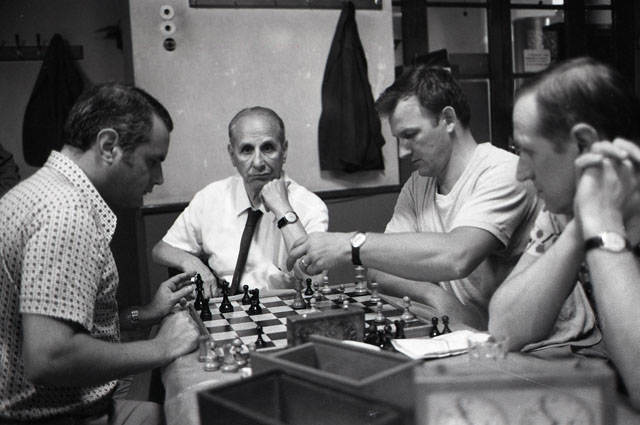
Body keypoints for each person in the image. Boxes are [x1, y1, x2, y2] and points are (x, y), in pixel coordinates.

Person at [0, 82, 200, 424]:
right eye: (152, 161)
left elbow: (67, 324)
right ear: (109, 146)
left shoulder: (43, 192)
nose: (159, 178)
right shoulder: (66, 212)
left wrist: (146, 314)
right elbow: (50, 357)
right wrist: (162, 347)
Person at [287, 66, 539, 329]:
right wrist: (436, 297)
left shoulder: (503, 171)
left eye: (410, 135)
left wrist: (348, 245)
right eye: (399, 139)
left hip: (534, 343)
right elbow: (379, 269)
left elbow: (458, 256)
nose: (404, 151)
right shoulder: (418, 183)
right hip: (466, 332)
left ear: (448, 119)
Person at [488, 57, 640, 408]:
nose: (521, 173)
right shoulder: (565, 209)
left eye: (528, 151)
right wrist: (580, 225)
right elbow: (504, 328)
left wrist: (602, 222)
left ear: (584, 144)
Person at [152, 106, 328, 296]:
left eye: (268, 148)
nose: (258, 162)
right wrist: (191, 262)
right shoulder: (211, 197)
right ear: (232, 155)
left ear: (284, 151)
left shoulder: (310, 206)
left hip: (281, 309)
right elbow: (162, 249)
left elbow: (314, 281)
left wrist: (283, 209)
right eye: (247, 150)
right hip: (223, 305)